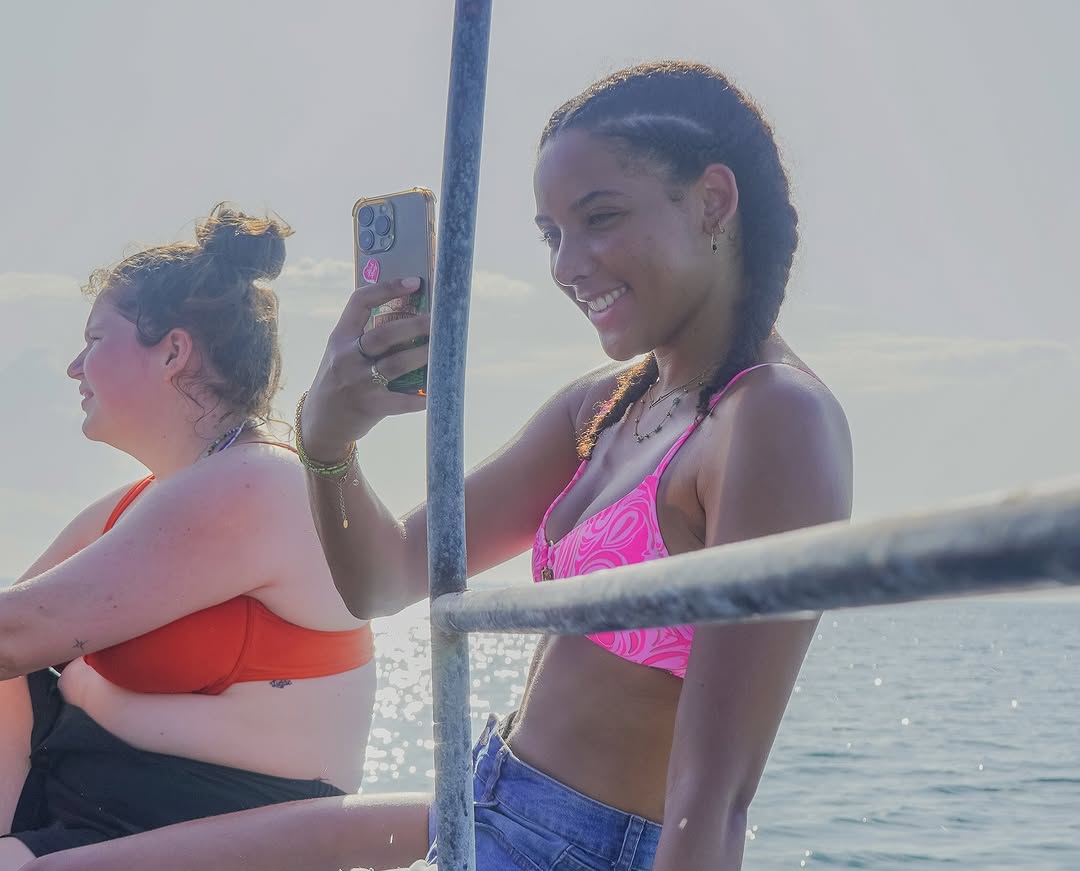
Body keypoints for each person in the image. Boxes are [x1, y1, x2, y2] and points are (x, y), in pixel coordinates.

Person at [23, 60, 853, 871]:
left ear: (713, 201)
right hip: (480, 803)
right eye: (551, 234)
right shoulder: (602, 407)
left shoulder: (774, 417)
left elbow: (713, 796)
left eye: (599, 217)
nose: (567, 264)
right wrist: (328, 442)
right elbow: (386, 578)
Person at [0, 206, 377, 870]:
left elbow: (14, 634)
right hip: (70, 813)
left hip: (210, 833)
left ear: (174, 351)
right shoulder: (142, 501)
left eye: (95, 340)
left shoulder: (259, 483)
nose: (73, 367)